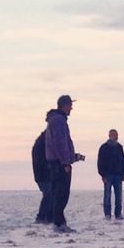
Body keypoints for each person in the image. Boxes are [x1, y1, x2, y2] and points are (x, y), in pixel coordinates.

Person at [44, 94, 83, 232]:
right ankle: (59, 223)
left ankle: (59, 221)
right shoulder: (59, 120)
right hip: (59, 164)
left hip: (56, 162)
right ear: (64, 105)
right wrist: (65, 162)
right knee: (61, 194)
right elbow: (60, 143)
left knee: (58, 193)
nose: (71, 108)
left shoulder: (55, 120)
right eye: (70, 105)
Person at [97, 129, 124, 219]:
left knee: (118, 195)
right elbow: (100, 162)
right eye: (113, 134)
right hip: (108, 175)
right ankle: (107, 214)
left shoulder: (119, 147)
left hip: (118, 175)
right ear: (109, 135)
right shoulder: (104, 147)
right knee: (107, 195)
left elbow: (123, 161)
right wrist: (102, 174)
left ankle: (118, 214)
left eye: (116, 135)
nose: (115, 136)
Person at [33, 115, 54, 223]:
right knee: (49, 194)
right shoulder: (44, 141)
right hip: (44, 174)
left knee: (49, 195)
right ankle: (42, 217)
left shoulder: (43, 140)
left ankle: (47, 217)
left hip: (44, 174)